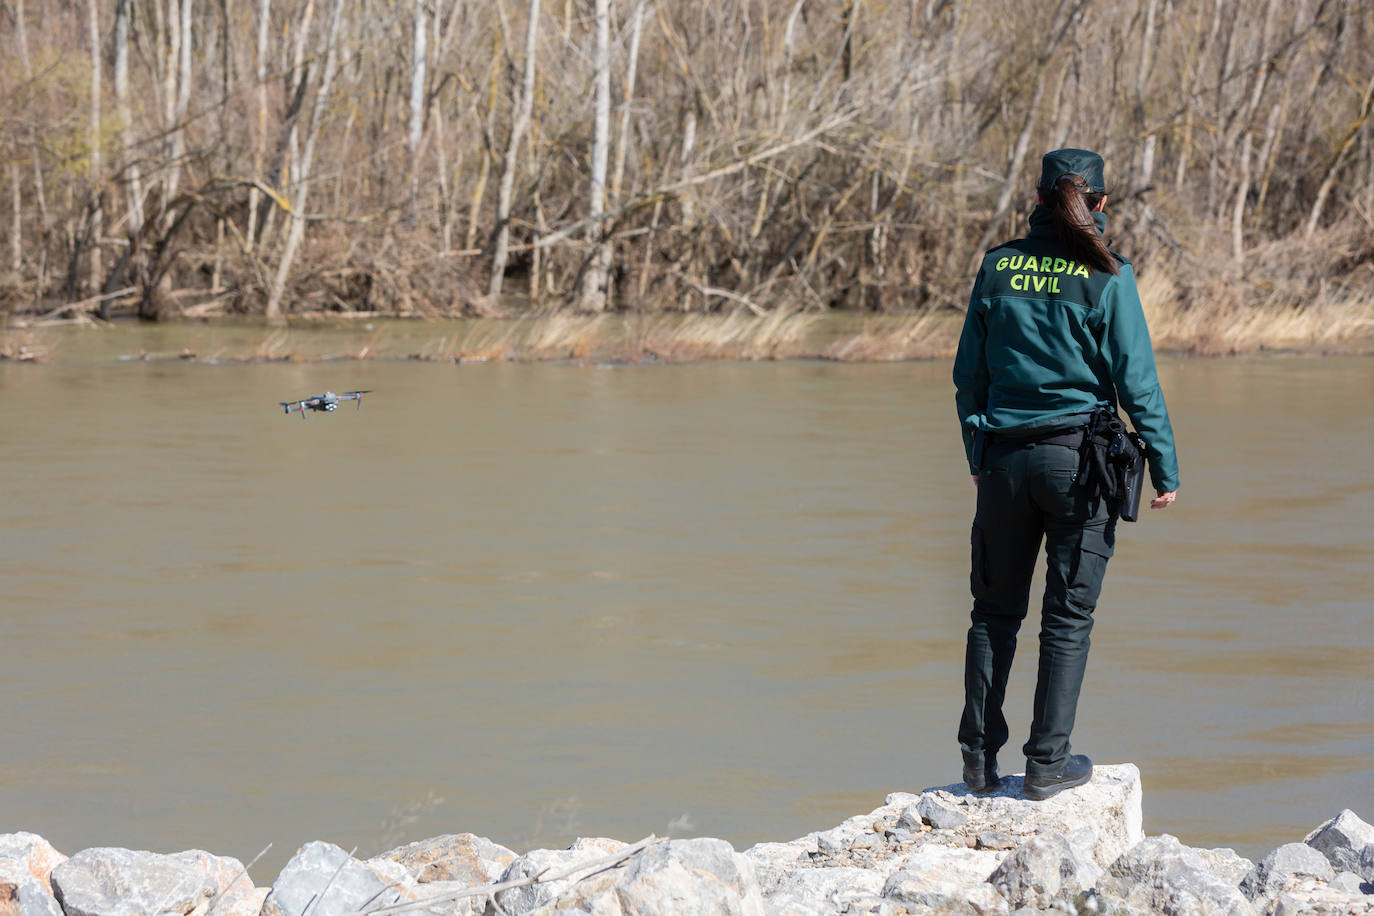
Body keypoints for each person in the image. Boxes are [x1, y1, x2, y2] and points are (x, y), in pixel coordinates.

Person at [951, 148, 1179, 801]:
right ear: (1098, 204)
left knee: (993, 613)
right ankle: (1048, 763)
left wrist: (979, 454)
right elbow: (1138, 384)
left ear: (1041, 198)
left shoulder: (998, 269)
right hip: (1081, 465)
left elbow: (970, 378)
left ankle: (977, 763)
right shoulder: (1108, 274)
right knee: (1068, 615)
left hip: (1005, 461)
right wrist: (1164, 466)